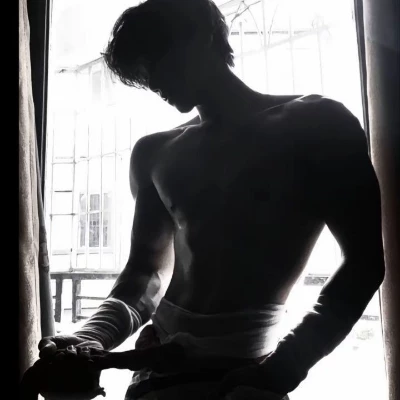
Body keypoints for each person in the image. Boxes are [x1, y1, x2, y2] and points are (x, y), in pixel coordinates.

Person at [37, 0, 385, 399]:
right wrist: (90, 336)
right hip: (151, 377)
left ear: (199, 35)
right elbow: (144, 275)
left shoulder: (318, 124)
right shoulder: (154, 152)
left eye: (155, 59)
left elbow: (363, 263)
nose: (150, 80)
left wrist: (286, 366)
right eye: (142, 71)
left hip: (245, 377)